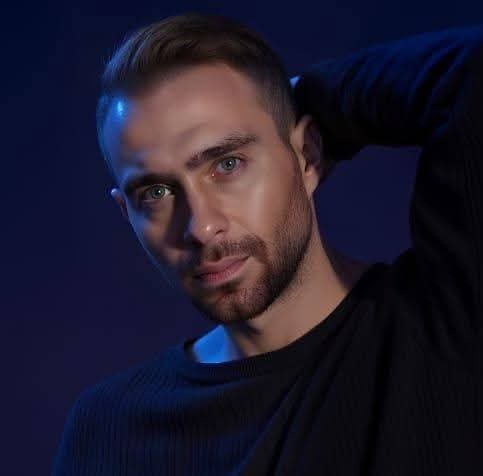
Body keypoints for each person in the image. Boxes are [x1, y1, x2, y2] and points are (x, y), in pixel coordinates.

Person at [52, 13, 483, 475]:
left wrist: (311, 97)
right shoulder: (111, 432)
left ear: (307, 155)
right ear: (127, 213)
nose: (201, 227)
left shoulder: (447, 322)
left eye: (228, 163)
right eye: (156, 193)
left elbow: (470, 72)